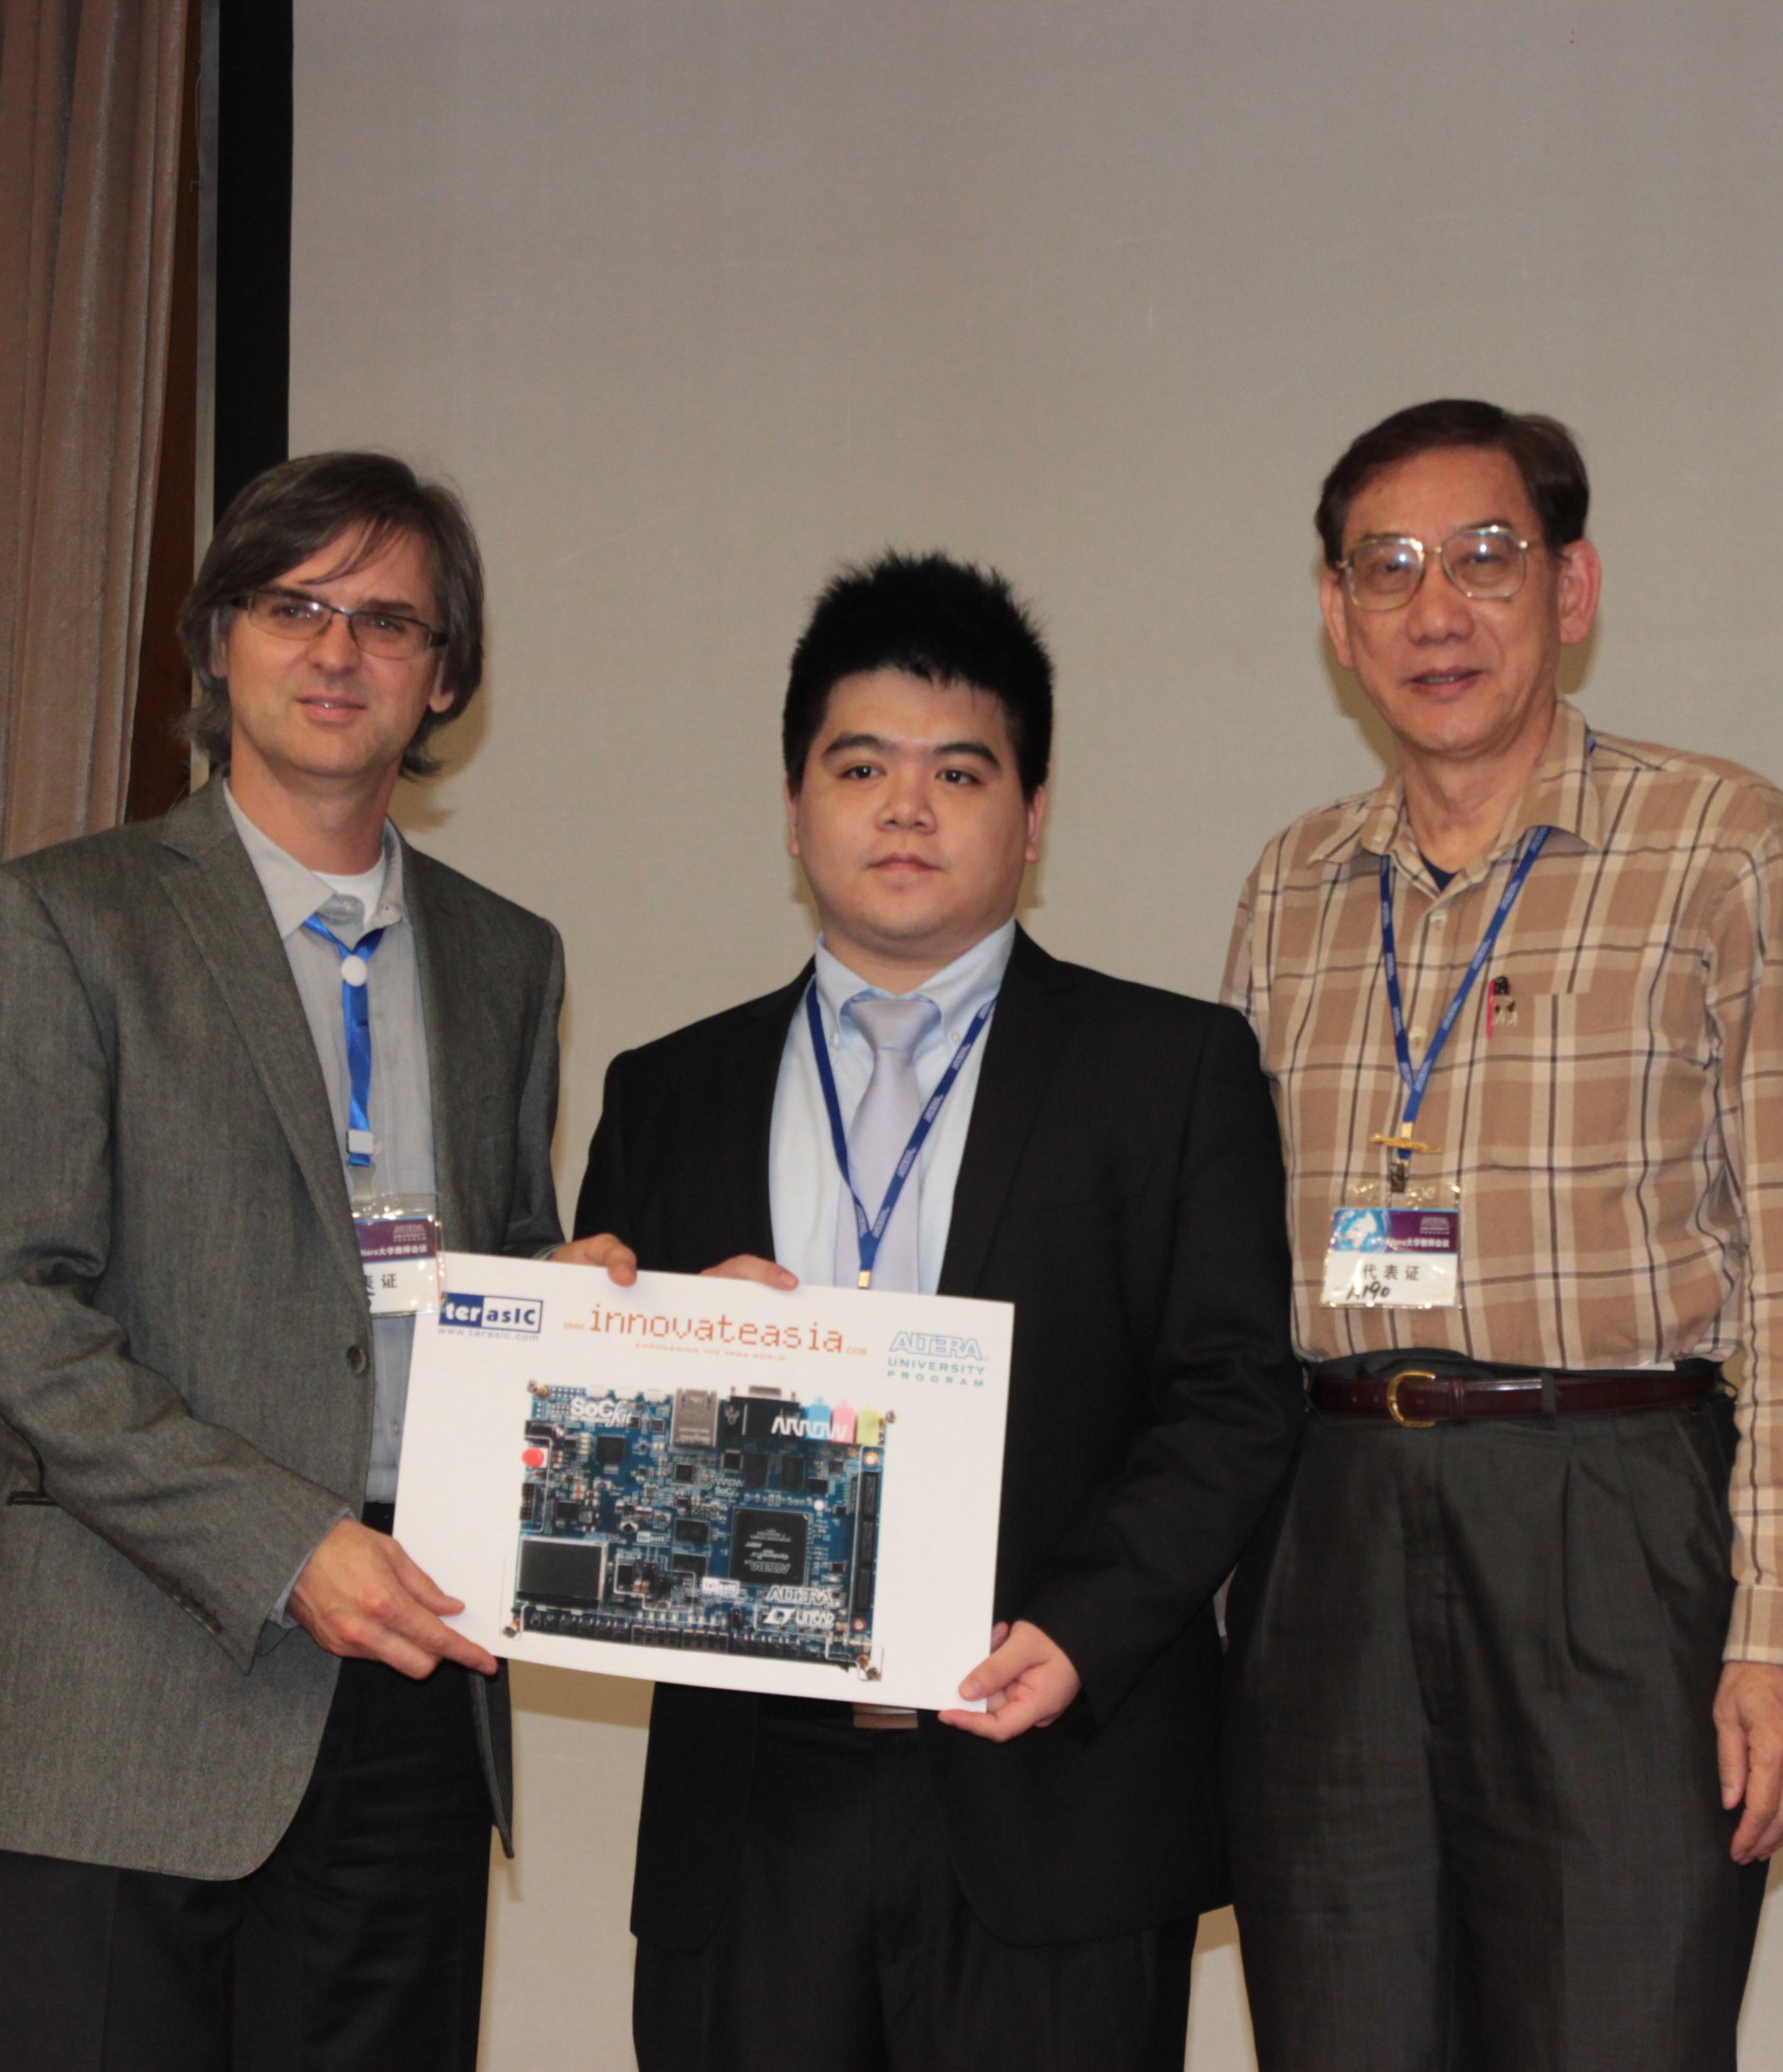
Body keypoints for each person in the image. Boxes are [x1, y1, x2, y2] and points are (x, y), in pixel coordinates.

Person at [0, 450, 622, 2071]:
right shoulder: (60, 920)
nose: (336, 651)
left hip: (416, 1674)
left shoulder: (507, 955)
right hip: (132, 1688)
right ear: (217, 640)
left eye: (388, 621)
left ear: (444, 676)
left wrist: (632, 1326)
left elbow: (494, 1262)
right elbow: (4, 1304)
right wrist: (287, 1543)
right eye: (293, 606)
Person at [568, 551, 1306, 2071]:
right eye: (860, 767)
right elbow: (605, 1470)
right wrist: (616, 1369)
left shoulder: (1170, 1072)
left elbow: (1235, 1400)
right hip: (749, 1814)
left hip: (1052, 1789)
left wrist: (1081, 1631)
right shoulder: (666, 1091)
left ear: (1032, 819)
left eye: (959, 772)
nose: (906, 808)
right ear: (794, 809)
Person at [1221, 399, 1783, 2071]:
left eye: (1486, 559)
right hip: (1332, 1525)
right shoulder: (1291, 886)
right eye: (1388, 568)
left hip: (1612, 1516)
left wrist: (1782, 1629)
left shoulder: (1727, 844)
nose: (1436, 609)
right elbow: (1218, 1271)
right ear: (1336, 616)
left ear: (1572, 589)